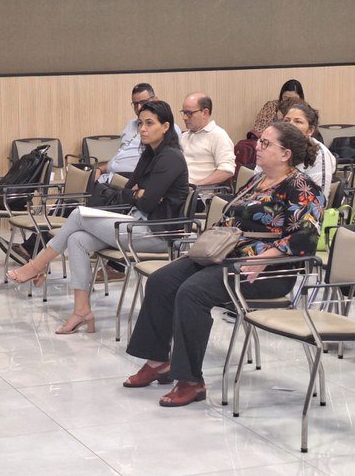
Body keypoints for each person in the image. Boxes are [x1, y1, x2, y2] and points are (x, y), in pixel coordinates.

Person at [123, 121, 324, 408]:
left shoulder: (303, 188)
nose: (258, 146)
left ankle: (191, 380)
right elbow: (230, 220)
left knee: (192, 293)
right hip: (226, 256)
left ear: (286, 154)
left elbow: (305, 237)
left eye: (266, 143)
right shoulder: (257, 180)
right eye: (261, 141)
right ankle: (158, 362)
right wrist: (201, 249)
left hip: (268, 271)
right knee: (162, 280)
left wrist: (263, 259)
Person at [6, 100, 189, 334]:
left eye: (149, 123)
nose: (142, 129)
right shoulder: (150, 154)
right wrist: (137, 193)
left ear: (165, 127)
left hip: (158, 234)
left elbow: (147, 201)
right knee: (77, 240)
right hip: (134, 224)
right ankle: (82, 311)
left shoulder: (171, 157)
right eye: (141, 123)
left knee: (77, 215)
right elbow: (128, 192)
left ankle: (37, 264)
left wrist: (139, 195)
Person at [255, 101, 335, 198]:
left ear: (310, 130)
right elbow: (256, 181)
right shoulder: (273, 146)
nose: (290, 125)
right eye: (287, 120)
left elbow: (320, 197)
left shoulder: (319, 153)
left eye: (298, 121)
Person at [179, 92, 236, 187]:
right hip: (180, 190)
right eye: (184, 112)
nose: (184, 118)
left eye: (189, 113)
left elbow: (227, 170)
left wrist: (196, 186)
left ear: (205, 113)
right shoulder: (184, 136)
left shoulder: (218, 135)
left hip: (200, 195)